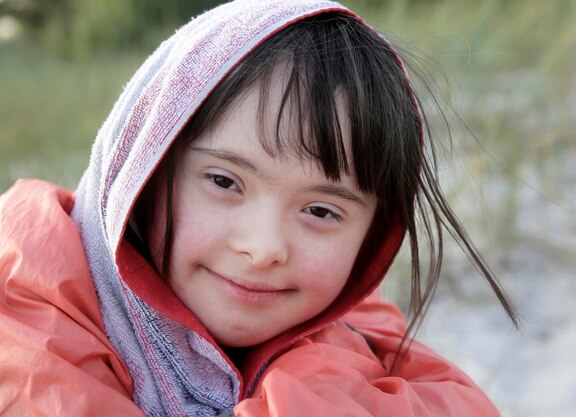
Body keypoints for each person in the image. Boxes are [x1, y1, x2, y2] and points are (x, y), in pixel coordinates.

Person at [0, 0, 517, 416]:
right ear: (144, 168)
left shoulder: (351, 320)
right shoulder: (24, 322)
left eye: (320, 212)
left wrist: (306, 380)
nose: (264, 248)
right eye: (225, 181)